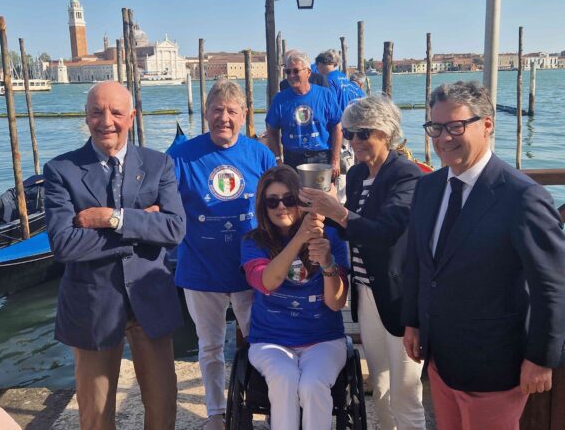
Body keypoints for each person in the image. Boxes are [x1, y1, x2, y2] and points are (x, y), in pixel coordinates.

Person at [402, 81, 565, 430]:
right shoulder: (428, 187)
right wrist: (413, 321)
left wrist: (541, 359)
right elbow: (419, 260)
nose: (444, 138)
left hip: (495, 366)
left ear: (487, 124)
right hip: (440, 358)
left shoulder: (523, 197)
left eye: (455, 126)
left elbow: (552, 286)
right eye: (435, 127)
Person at [44, 81, 186, 430]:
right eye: (97, 112)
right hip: (92, 305)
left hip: (149, 300)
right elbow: (64, 244)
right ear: (86, 117)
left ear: (132, 117)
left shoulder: (159, 164)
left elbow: (174, 229)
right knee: (95, 415)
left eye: (116, 112)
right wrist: (141, 228)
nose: (106, 121)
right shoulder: (60, 170)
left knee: (163, 407)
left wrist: (113, 218)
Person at [301, 96, 426, 430]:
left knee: (405, 392)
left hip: (399, 298)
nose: (354, 140)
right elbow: (350, 228)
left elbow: (386, 232)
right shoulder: (356, 174)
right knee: (380, 386)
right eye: (350, 132)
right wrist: (311, 215)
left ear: (386, 132)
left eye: (363, 133)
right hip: (366, 294)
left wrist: (337, 211)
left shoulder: (406, 175)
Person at [169, 80, 276, 430]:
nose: (224, 118)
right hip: (201, 270)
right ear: (206, 113)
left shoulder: (260, 154)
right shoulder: (181, 157)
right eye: (217, 110)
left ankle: (270, 406)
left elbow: (276, 207)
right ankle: (216, 413)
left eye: (232, 111)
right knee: (210, 346)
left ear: (244, 115)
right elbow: (162, 205)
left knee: (262, 342)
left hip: (251, 270)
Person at [241, 165, 349, 430]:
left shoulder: (331, 236)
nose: (281, 207)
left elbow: (336, 302)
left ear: (300, 200)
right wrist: (300, 238)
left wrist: (327, 262)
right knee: (285, 379)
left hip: (323, 338)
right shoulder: (253, 241)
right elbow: (268, 282)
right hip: (270, 340)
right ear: (263, 207)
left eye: (289, 199)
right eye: (272, 201)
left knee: (313, 384)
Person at [266, 50, 342, 179]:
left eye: (296, 71)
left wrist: (335, 160)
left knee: (323, 192)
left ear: (308, 72)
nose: (291, 75)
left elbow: (337, 127)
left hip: (321, 157)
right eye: (288, 72)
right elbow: (272, 131)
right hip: (292, 159)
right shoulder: (280, 99)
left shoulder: (325, 95)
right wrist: (278, 159)